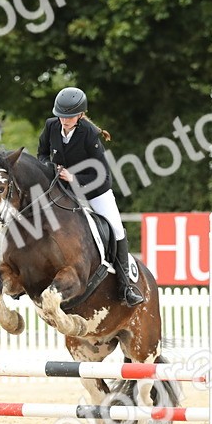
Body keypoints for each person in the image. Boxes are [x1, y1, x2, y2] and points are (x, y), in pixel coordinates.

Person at [37, 86, 144, 306]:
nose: (63, 121)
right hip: (62, 188)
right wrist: (50, 167)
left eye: (68, 117)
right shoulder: (51, 126)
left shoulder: (89, 134)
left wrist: (73, 176)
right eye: (61, 116)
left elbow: (102, 175)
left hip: (94, 189)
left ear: (80, 115)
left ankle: (126, 287)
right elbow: (42, 153)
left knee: (114, 228)